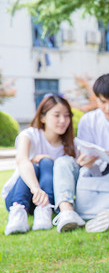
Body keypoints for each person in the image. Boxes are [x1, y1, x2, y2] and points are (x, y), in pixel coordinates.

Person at [52, 73, 109, 233]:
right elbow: (83, 157)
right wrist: (85, 161)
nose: (108, 108)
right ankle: (67, 212)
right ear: (96, 98)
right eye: (103, 102)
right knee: (63, 162)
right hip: (93, 176)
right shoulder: (88, 120)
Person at [2, 95, 76, 235]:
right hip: (19, 197)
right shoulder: (29, 135)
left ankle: (44, 209)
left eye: (67, 116)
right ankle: (18, 213)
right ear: (42, 117)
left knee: (47, 162)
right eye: (57, 115)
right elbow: (22, 161)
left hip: (50, 200)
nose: (63, 121)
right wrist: (36, 189)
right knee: (35, 165)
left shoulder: (71, 145)